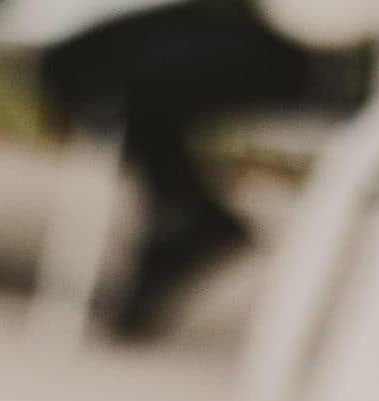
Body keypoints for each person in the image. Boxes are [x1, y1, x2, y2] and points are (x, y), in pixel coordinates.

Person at [39, 1, 318, 338]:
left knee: (94, 68)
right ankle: (189, 218)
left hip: (301, 38)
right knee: (82, 65)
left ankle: (188, 221)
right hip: (231, 23)